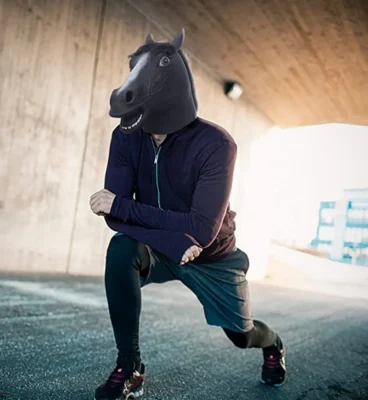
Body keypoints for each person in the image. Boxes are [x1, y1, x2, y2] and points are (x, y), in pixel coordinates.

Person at [89, 29, 286, 400]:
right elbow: (114, 216)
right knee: (120, 250)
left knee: (242, 335)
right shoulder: (126, 136)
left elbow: (201, 228)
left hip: (212, 256)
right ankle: (130, 365)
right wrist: (174, 240)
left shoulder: (216, 144)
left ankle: (273, 344)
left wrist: (129, 211)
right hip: (168, 247)